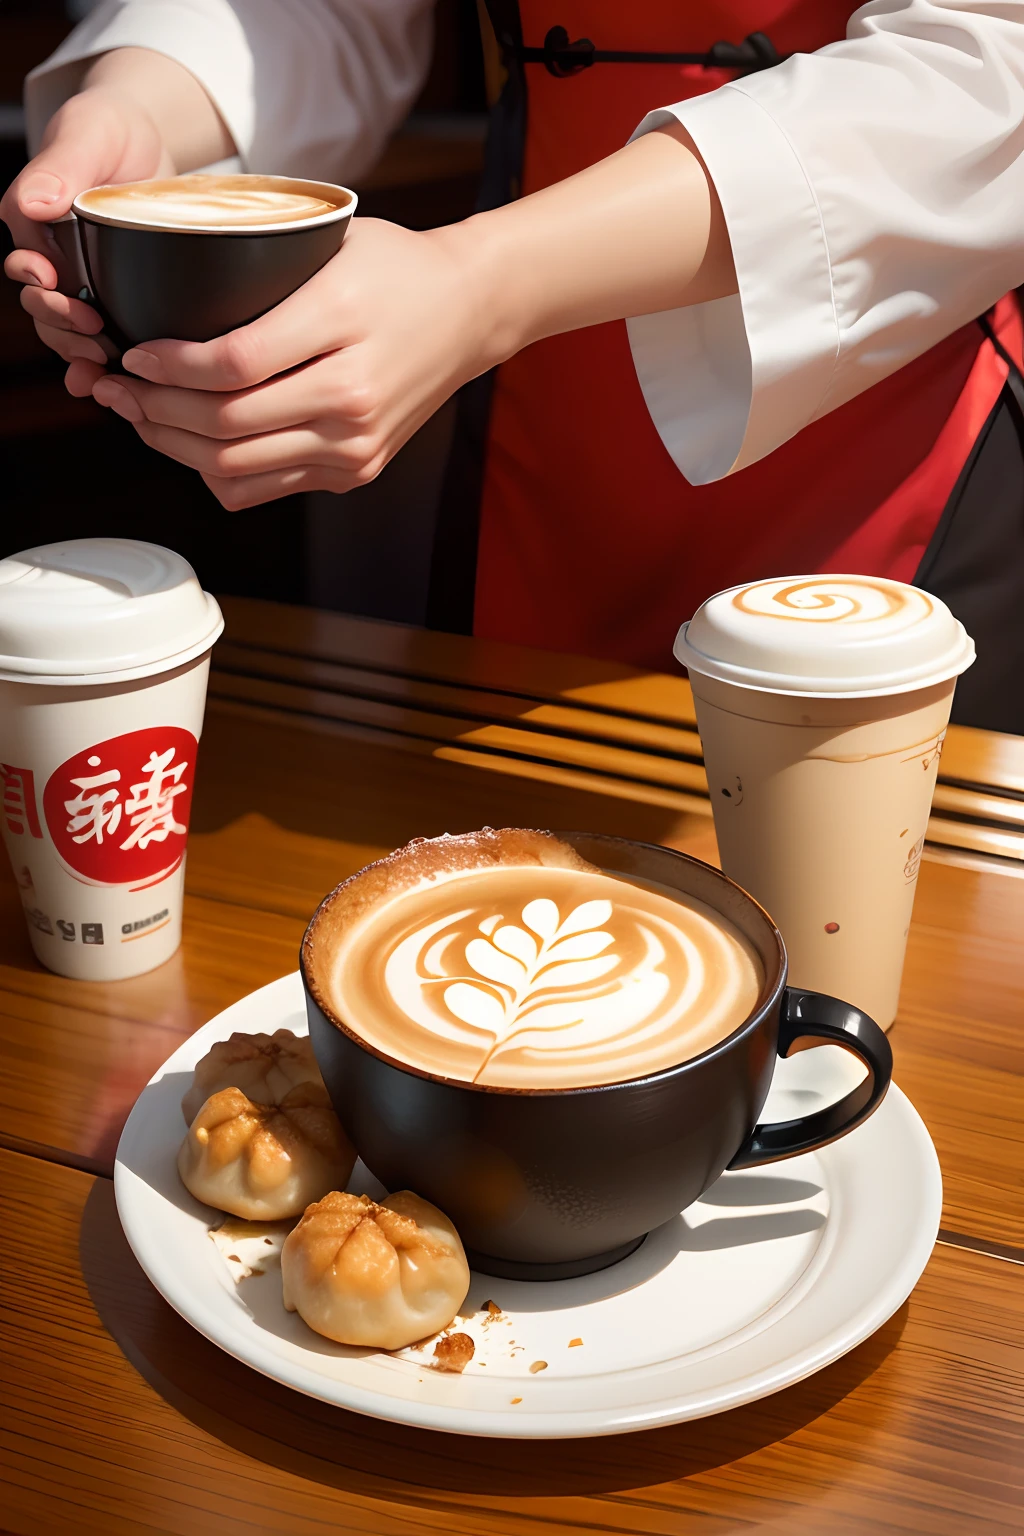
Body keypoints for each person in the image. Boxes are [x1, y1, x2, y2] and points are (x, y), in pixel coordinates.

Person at [4, 1, 1024, 731]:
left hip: (886, 403)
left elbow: (988, 65)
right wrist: (138, 103)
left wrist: (483, 281)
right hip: (538, 422)